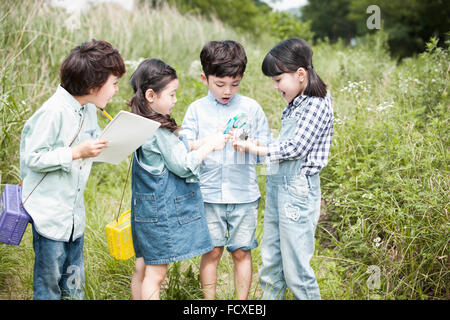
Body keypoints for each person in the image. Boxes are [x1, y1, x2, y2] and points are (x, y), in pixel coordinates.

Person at [20, 39, 126, 300]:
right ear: (92, 86)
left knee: (74, 283)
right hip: (50, 216)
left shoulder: (88, 109)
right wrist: (77, 152)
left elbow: (90, 149)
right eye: (113, 83)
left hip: (73, 217)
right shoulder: (53, 112)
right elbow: (33, 157)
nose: (116, 89)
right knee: (50, 284)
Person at [232, 38, 334, 300]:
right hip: (280, 187)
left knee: (296, 270)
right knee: (272, 264)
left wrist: (255, 149)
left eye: (278, 80)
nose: (275, 86)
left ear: (300, 74)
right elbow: (282, 146)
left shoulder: (316, 102)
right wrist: (253, 142)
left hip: (298, 191)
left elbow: (296, 148)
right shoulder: (295, 104)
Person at [128, 58, 229, 300]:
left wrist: (205, 142)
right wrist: (210, 147)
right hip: (160, 213)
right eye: (171, 94)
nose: (175, 100)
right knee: (156, 274)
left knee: (142, 266)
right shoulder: (157, 130)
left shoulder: (141, 124)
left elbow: (174, 151)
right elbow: (183, 165)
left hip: (144, 210)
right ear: (151, 95)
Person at [181, 40, 271, 300]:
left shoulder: (251, 108)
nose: (227, 91)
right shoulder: (196, 110)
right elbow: (183, 147)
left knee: (242, 251)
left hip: (243, 195)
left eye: (234, 84)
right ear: (204, 78)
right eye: (220, 84)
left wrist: (248, 145)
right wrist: (208, 142)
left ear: (242, 77)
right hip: (208, 195)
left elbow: (266, 148)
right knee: (212, 252)